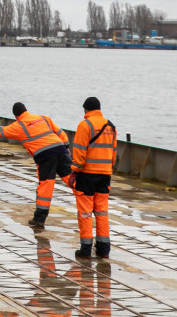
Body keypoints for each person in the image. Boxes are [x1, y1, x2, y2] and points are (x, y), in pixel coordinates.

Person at [0, 102, 73, 229]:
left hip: (46, 157)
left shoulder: (19, 126)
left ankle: (39, 220)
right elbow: (61, 133)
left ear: (16, 116)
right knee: (73, 180)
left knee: (45, 188)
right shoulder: (44, 118)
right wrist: (66, 148)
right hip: (61, 151)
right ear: (26, 110)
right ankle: (90, 202)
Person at [70, 96, 117, 259]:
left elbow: (80, 152)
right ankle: (104, 249)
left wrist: (74, 170)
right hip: (105, 175)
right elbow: (113, 153)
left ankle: (85, 249)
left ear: (85, 110)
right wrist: (108, 169)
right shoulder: (111, 126)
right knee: (102, 212)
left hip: (87, 175)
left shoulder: (85, 125)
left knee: (85, 213)